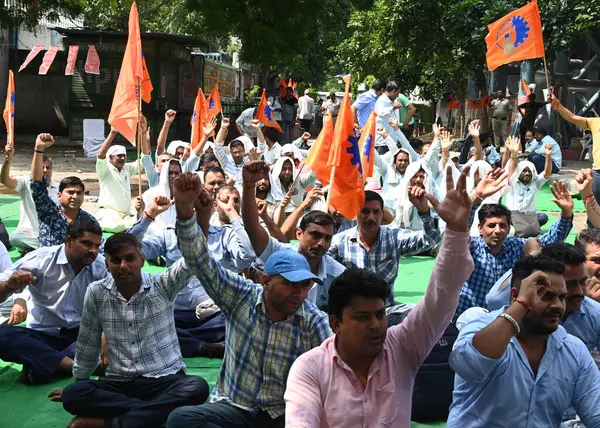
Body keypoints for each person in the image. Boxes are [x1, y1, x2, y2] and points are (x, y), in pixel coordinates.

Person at [284, 167, 475, 427]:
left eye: (377, 315)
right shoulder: (310, 369)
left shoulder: (401, 348)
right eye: (362, 318)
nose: (375, 325)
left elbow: (440, 297)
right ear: (335, 324)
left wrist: (456, 231)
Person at [165, 172, 332, 428]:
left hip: (283, 414)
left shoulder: (313, 321)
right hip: (235, 407)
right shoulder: (241, 296)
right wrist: (186, 212)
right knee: (181, 419)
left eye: (304, 285)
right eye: (288, 284)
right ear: (265, 281)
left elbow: (335, 368)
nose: (298, 293)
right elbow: (199, 260)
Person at [51, 232, 209, 428]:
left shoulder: (162, 285)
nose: (123, 266)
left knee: (197, 388)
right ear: (107, 264)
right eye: (116, 260)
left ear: (142, 259)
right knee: (74, 395)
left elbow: (193, 257)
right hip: (119, 382)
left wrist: (196, 218)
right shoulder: (96, 292)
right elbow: (88, 342)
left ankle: (113, 424)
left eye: (130, 258)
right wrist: (80, 383)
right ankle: (156, 415)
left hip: (164, 380)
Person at [447, 256, 600, 427]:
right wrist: (522, 304)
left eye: (561, 297)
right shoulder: (480, 329)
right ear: (515, 296)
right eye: (545, 295)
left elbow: (596, 414)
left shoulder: (574, 350)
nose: (557, 305)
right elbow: (468, 366)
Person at [0, 217, 105, 384]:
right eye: (87, 244)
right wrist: (8, 285)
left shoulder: (100, 266)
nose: (93, 250)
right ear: (69, 240)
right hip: (44, 335)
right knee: (3, 336)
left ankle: (46, 363)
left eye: (97, 246)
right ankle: (74, 366)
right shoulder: (41, 259)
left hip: (81, 335)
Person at [456, 181, 574, 317]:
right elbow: (459, 231)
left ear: (509, 228)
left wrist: (566, 213)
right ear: (480, 229)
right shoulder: (471, 248)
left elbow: (550, 240)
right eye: (491, 225)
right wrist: (477, 198)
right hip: (469, 315)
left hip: (504, 317)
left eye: (502, 226)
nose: (497, 231)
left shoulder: (514, 246)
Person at [242, 162, 345, 310]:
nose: (321, 243)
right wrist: (248, 186)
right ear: (299, 234)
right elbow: (252, 228)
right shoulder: (280, 253)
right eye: (315, 235)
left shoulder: (338, 274)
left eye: (327, 238)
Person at [328, 189, 442, 307]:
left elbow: (432, 239)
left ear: (382, 215)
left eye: (376, 212)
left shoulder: (394, 237)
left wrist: (424, 212)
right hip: (351, 313)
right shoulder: (339, 241)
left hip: (386, 311)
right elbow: (320, 260)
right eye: (365, 211)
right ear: (355, 215)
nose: (371, 217)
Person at [29, 134, 97, 247]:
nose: (75, 196)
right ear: (59, 195)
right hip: (49, 264)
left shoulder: (89, 221)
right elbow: (37, 185)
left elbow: (99, 249)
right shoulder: (48, 211)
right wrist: (39, 149)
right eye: (70, 192)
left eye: (79, 193)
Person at [1, 142, 59, 252]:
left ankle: (34, 250)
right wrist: (8, 159)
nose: (45, 170)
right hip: (28, 235)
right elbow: (4, 180)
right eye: (42, 167)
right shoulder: (25, 182)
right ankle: (46, 249)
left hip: (52, 233)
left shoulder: (59, 188)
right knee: (14, 238)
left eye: (48, 167)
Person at [95, 120, 151, 232]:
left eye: (124, 156)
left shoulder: (127, 168)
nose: (122, 158)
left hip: (125, 216)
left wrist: (145, 137)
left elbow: (145, 160)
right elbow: (100, 155)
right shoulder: (105, 170)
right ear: (110, 158)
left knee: (141, 225)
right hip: (108, 214)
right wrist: (112, 134)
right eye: (119, 156)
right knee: (117, 227)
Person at [549, 93, 600, 203]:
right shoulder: (595, 122)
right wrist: (556, 104)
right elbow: (572, 117)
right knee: (594, 209)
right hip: (597, 173)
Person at [374, 81, 402, 155]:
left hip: (391, 139)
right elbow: (381, 112)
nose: (397, 96)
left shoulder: (391, 100)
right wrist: (393, 108)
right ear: (393, 91)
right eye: (397, 93)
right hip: (382, 142)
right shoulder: (382, 100)